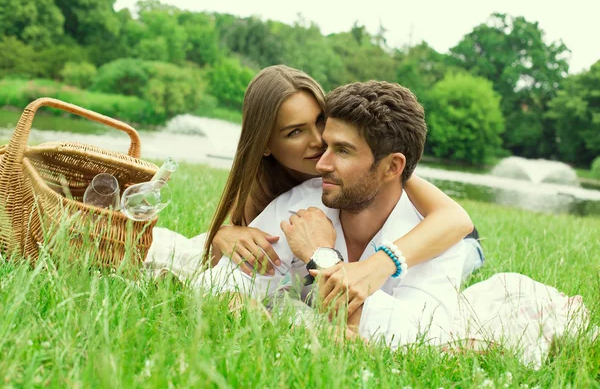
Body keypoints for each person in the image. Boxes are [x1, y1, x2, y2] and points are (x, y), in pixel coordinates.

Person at [197, 80, 592, 368]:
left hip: (457, 243)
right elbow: (215, 289)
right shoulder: (301, 206)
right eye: (321, 140)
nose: (319, 161)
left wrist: (322, 259)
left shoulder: (438, 238)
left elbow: (421, 338)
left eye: (342, 150)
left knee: (471, 257)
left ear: (393, 167)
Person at [146, 66, 484, 302]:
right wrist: (223, 233)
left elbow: (454, 220)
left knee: (461, 255)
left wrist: (368, 265)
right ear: (265, 144)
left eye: (321, 123)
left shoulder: (385, 177)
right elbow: (227, 277)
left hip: (456, 238)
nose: (319, 141)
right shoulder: (280, 197)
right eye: (295, 132)